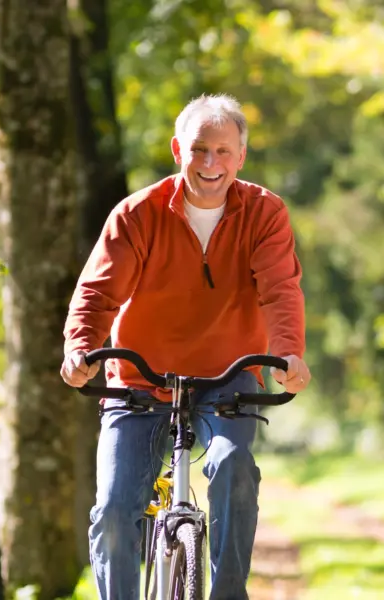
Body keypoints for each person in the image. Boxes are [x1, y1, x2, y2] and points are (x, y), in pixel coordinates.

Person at [60, 93, 311, 600]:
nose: (211, 163)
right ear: (178, 150)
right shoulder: (138, 213)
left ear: (241, 156)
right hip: (139, 379)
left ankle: (228, 593)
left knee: (235, 467)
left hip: (229, 376)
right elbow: (98, 291)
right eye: (199, 150)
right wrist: (81, 347)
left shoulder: (264, 213)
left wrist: (288, 351)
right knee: (113, 511)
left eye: (223, 151)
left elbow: (280, 288)